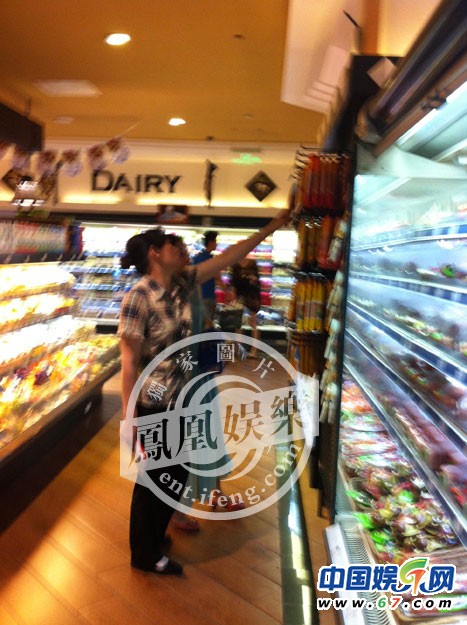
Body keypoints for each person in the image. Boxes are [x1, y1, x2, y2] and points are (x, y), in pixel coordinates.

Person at [118, 209, 291, 577]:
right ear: (155, 253)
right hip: (155, 401)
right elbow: (129, 363)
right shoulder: (138, 297)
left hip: (183, 397)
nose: (181, 250)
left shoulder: (183, 282)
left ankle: (152, 539)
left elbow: (229, 256)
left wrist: (272, 227)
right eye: (173, 245)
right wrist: (129, 419)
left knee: (175, 475)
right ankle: (144, 555)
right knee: (155, 479)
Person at [230, 257, 261, 358]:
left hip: (252, 295)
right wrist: (233, 296)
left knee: (253, 322)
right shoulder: (235, 265)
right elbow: (233, 283)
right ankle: (238, 349)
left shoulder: (252, 263)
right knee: (238, 323)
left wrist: (253, 279)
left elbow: (257, 280)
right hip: (240, 295)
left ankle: (254, 351)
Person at [193, 230, 218, 325]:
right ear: (211, 242)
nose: (216, 244)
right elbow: (217, 276)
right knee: (208, 323)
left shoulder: (196, 258)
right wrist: (226, 290)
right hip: (208, 295)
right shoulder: (210, 259)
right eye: (215, 241)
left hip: (198, 296)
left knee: (199, 323)